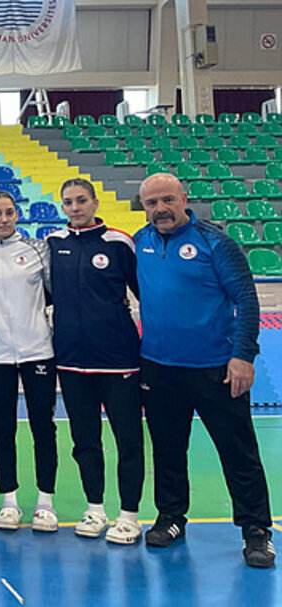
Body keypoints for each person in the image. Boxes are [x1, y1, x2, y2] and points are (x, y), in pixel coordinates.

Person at [135, 172, 274, 568]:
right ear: (143, 207)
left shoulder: (215, 242)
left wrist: (243, 355)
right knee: (167, 450)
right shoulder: (140, 242)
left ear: (183, 198)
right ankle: (171, 517)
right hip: (159, 368)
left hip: (216, 369)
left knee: (238, 452)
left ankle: (256, 530)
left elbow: (246, 299)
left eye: (167, 200)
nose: (160, 209)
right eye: (151, 203)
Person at [47, 178, 145, 545]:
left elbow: (145, 294)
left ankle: (129, 515)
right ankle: (95, 509)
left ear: (95, 202)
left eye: (81, 200)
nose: (75, 207)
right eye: (68, 202)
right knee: (84, 441)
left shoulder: (119, 243)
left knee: (128, 440)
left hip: (119, 361)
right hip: (72, 362)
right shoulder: (53, 244)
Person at [0, 190, 58, 532]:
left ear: (17, 215)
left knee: (43, 426)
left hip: (38, 350)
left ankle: (45, 502)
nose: (4, 219)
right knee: (2, 427)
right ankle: (9, 500)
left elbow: (55, 291)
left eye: (9, 212)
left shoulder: (38, 250)